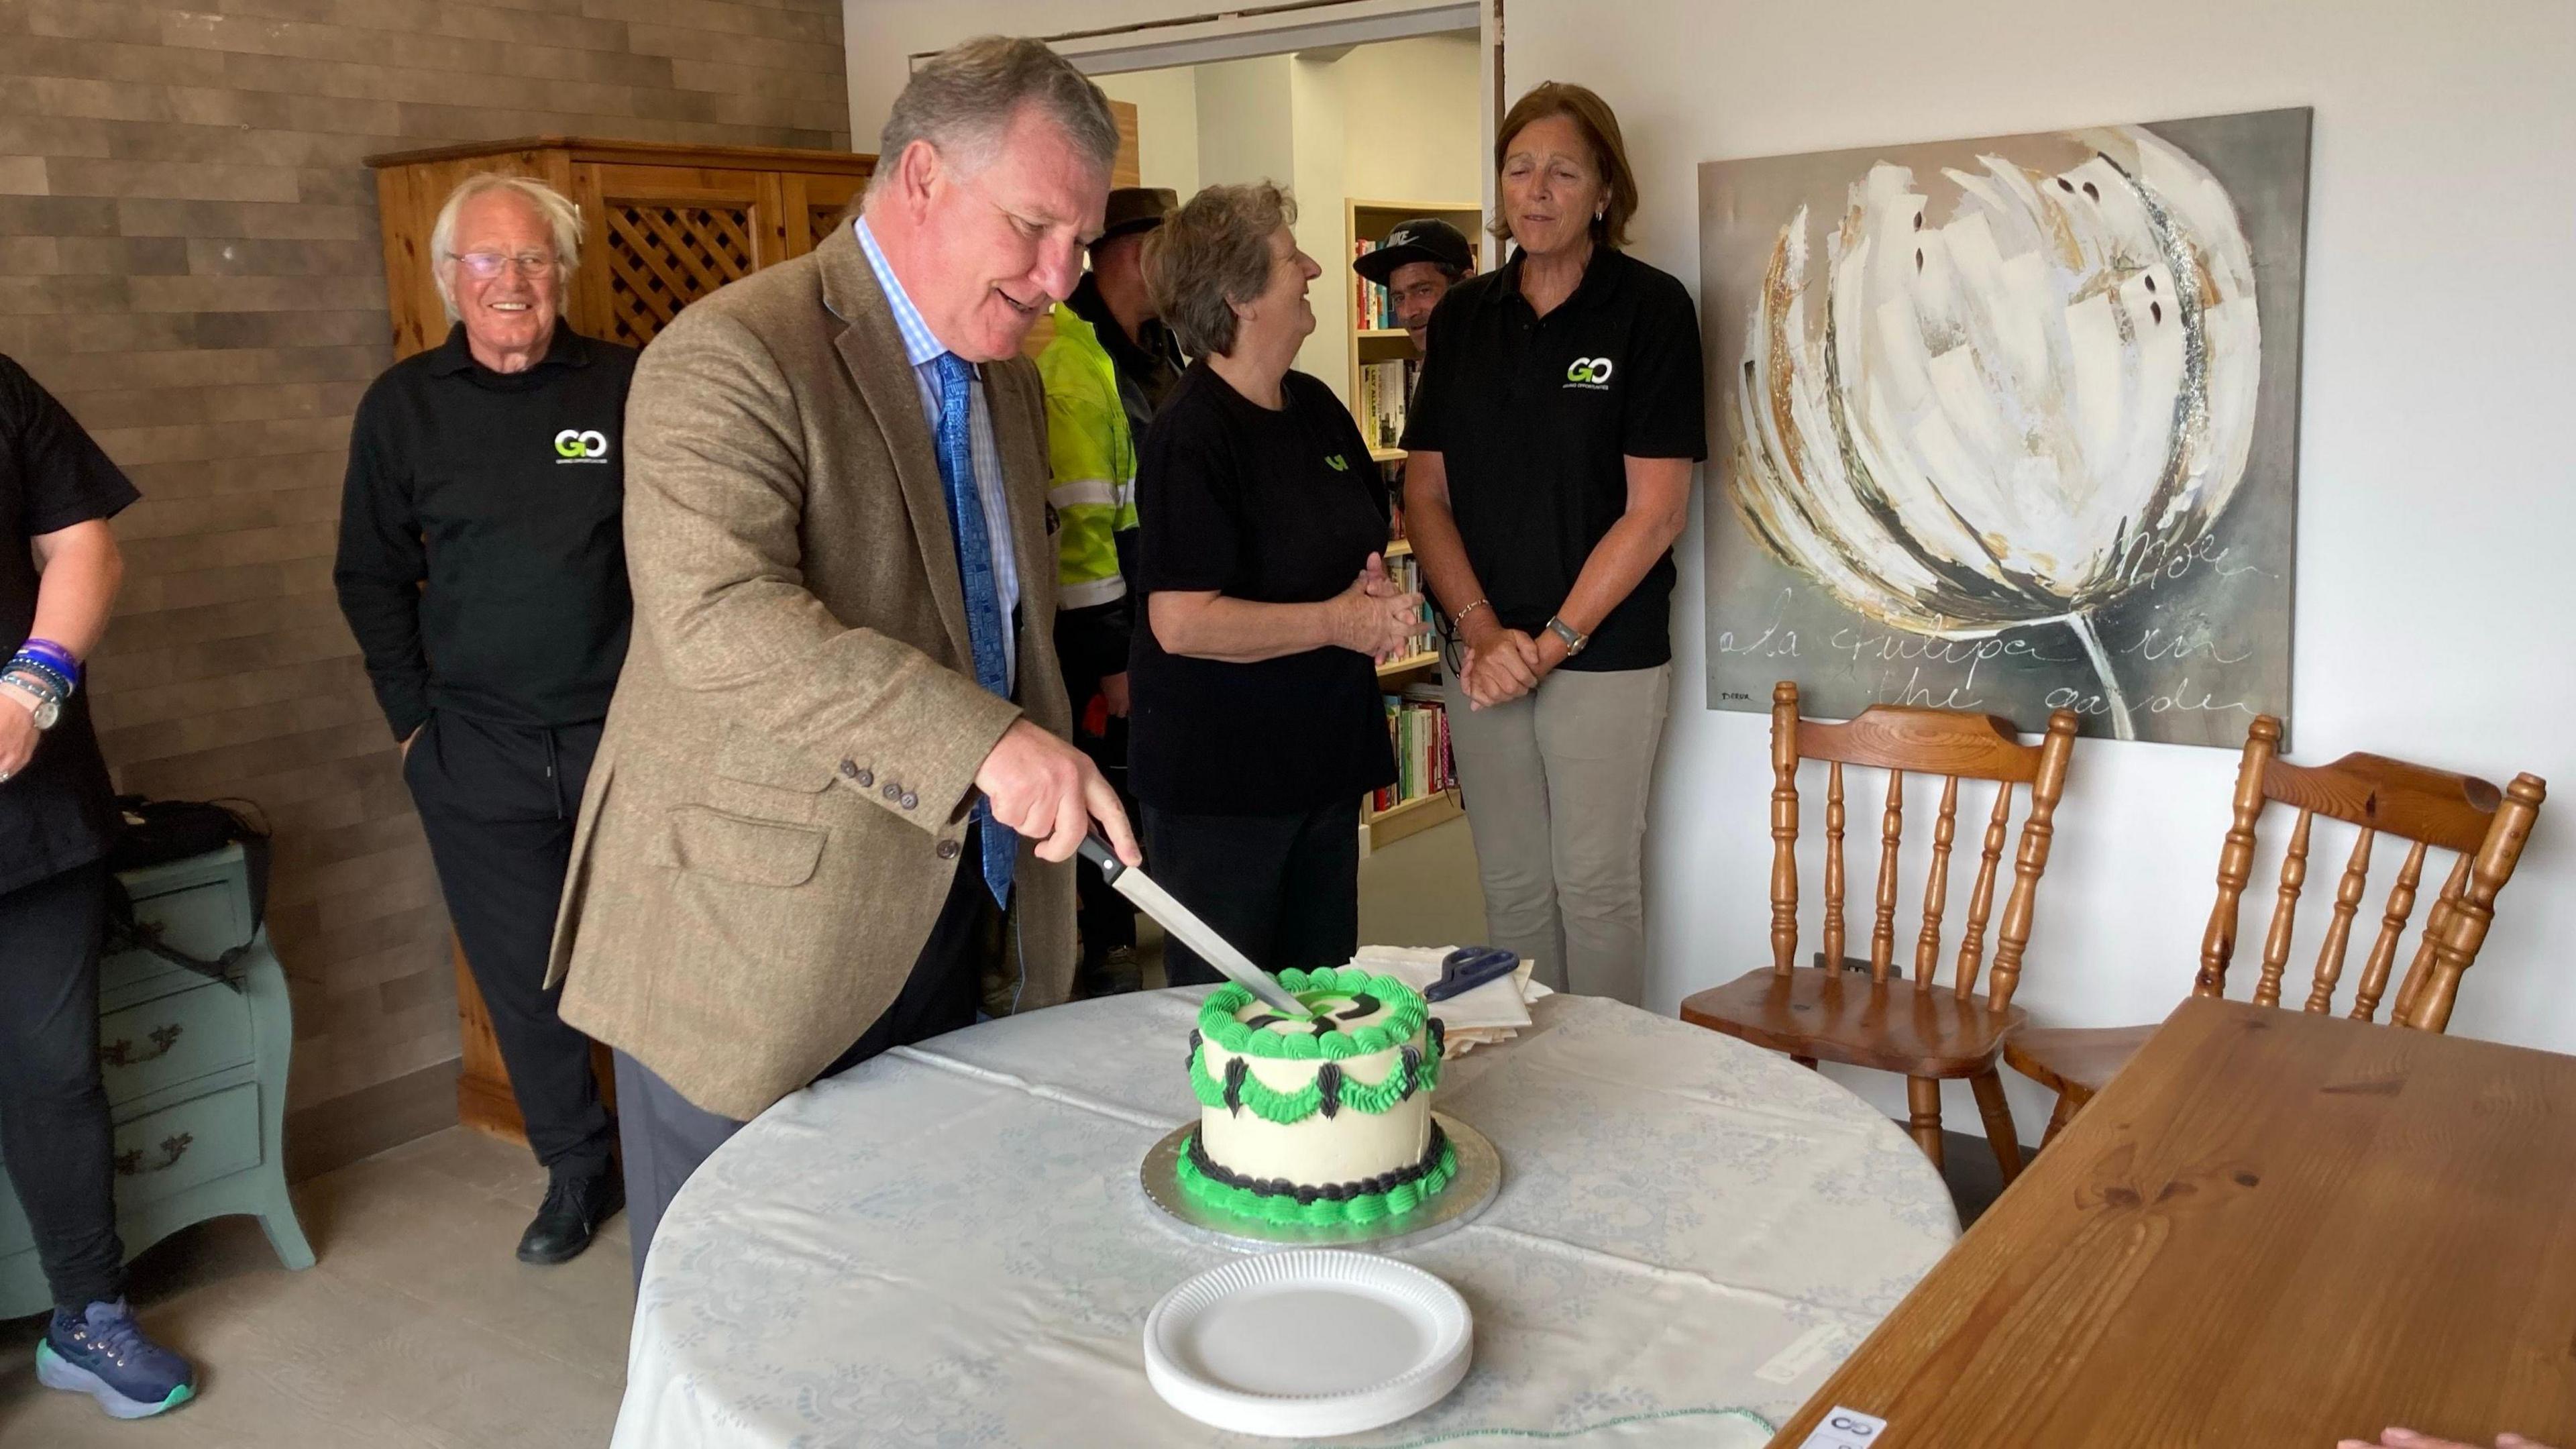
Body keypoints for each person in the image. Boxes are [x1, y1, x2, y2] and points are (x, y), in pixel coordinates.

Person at [543, 35, 1140, 1281]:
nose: (1064, 278)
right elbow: (719, 621)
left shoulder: (1013, 382)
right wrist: (988, 747)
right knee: (747, 1306)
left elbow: (1002, 631)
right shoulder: (729, 353)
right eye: (1036, 229)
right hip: (754, 947)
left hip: (949, 912)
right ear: (923, 175)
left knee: (913, 1282)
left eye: (1081, 244)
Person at [334, 174, 636, 1267]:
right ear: (450, 278)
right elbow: (367, 575)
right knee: (525, 981)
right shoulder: (404, 408)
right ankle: (577, 1167)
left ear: (563, 273)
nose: (513, 281)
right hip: (479, 753)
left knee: (650, 960)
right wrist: (417, 730)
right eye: (489, 261)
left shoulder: (625, 386)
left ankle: (672, 1160)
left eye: (534, 260)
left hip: (623, 746)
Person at [1399, 83, 1704, 1006]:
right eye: (1519, 169)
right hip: (1481, 651)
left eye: (1563, 172)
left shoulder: (1649, 311)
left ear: (1605, 191)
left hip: (1602, 651)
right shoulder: (1462, 317)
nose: (1536, 191)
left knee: (1596, 889)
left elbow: (1655, 512)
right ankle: (1537, 1086)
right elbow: (1426, 492)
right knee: (1514, 890)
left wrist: (1555, 640)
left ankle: (1606, 1104)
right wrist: (1485, 633)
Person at [1128, 182, 1420, 987]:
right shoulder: (1191, 433)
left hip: (1319, 765)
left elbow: (1354, 545)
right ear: (1239, 296)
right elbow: (1182, 622)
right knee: (1233, 1028)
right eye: (1293, 259)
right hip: (1223, 790)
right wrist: (1335, 623)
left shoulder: (1319, 406)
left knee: (1321, 1009)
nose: (1316, 268)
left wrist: (1374, 599)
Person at [0, 356, 199, 1417]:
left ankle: (87, 1318)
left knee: (55, 1079)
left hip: (30, 815)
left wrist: (31, 692)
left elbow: (83, 547)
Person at [1038, 184, 1183, 997]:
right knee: (1104, 780)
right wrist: (1110, 654)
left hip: (1153, 609)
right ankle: (1108, 945)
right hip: (1102, 625)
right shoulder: (1073, 351)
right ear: (1132, 252)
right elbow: (1087, 528)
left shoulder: (1158, 349)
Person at [1352, 216, 1477, 354]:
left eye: (1423, 291)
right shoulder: (1439, 370)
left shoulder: (1499, 364)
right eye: (1399, 298)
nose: (1408, 313)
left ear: (1466, 285)